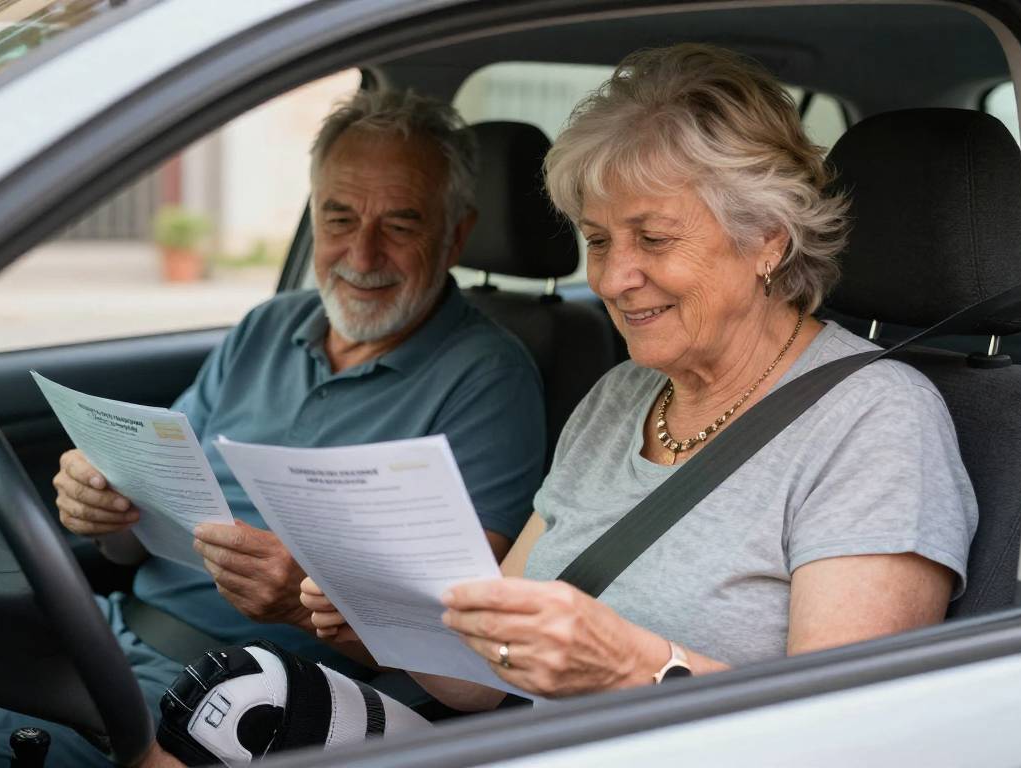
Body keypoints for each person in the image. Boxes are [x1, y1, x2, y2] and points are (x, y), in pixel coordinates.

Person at [301, 43, 978, 713]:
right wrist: (373, 615)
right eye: (597, 241)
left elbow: (845, 733)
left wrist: (634, 666)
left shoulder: (877, 422)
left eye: (652, 239)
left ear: (768, 237)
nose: (612, 279)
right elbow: (485, 679)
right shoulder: (619, 397)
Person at [0, 89, 545, 767]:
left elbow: (457, 638)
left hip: (236, 702)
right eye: (338, 217)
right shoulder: (268, 327)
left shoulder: (490, 377)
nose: (362, 252)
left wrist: (301, 602)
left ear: (457, 235)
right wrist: (106, 507)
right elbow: (147, 528)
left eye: (402, 224)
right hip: (112, 633)